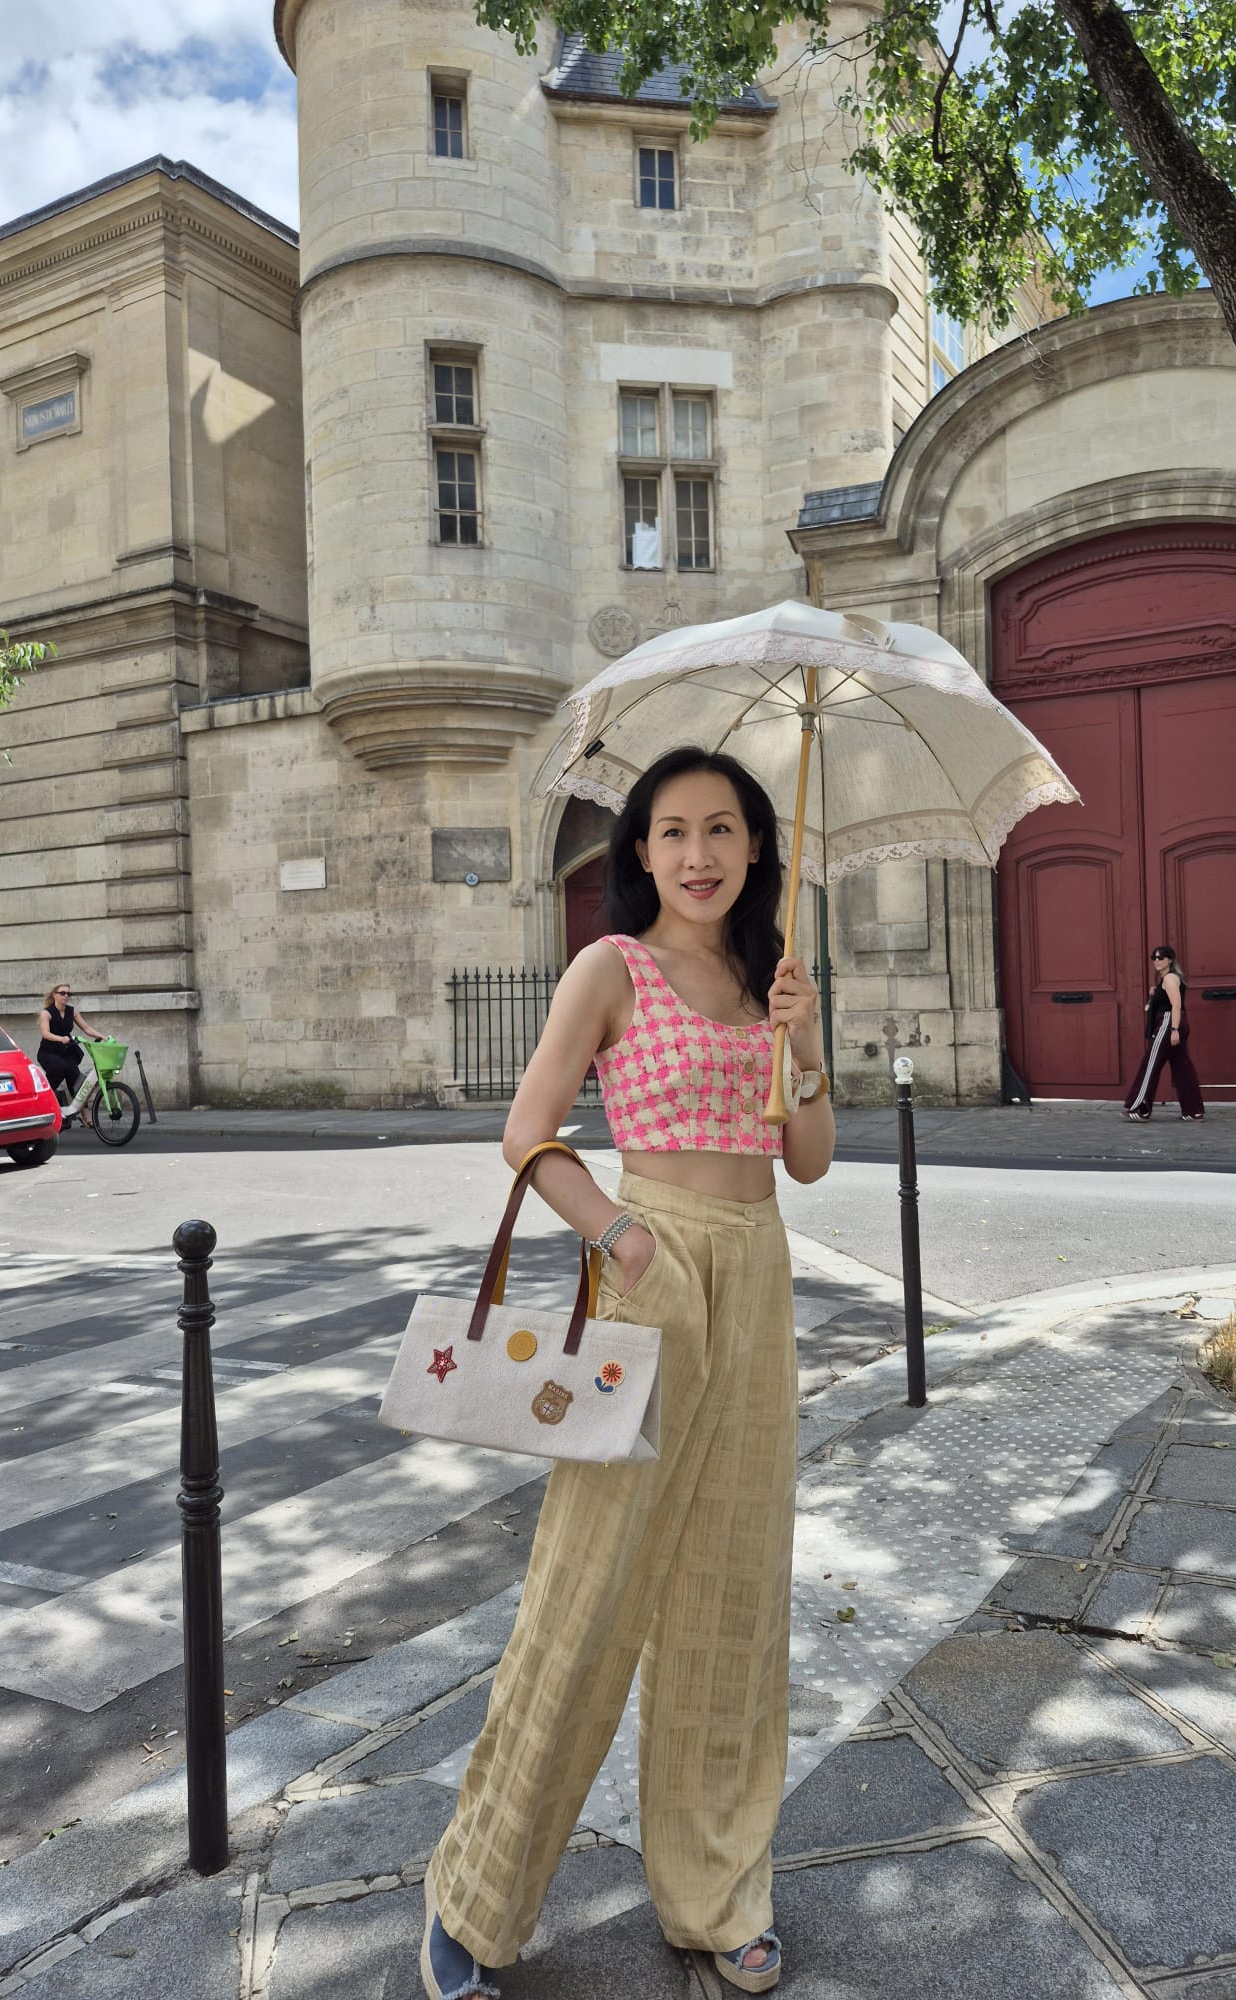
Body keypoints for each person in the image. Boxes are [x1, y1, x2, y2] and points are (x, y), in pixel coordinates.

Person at [419, 747, 835, 2000]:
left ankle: (717, 1891)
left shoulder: (773, 977)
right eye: (673, 831)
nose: (698, 853)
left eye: (722, 828)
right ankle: (474, 1896)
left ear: (756, 844)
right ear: (640, 852)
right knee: (587, 1589)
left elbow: (811, 1158)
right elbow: (527, 1131)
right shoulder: (611, 967)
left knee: (734, 1593)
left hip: (758, 1270)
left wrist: (807, 1043)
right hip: (650, 1267)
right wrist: (620, 1234)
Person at [1122, 944, 1205, 1121]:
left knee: (1150, 1064)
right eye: (1154, 958)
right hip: (1175, 1022)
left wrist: (1174, 1029)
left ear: (1170, 959)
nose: (1157, 961)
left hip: (1168, 1023)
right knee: (1183, 1068)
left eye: (1161, 957)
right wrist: (1156, 994)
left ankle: (1139, 1108)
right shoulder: (1168, 979)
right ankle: (1193, 1111)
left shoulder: (1169, 978)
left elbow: (1176, 1004)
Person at [35, 983, 102, 1101]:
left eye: (68, 993)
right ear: (54, 995)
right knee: (59, 1068)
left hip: (66, 1052)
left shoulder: (72, 1011)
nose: (66, 996)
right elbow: (45, 1033)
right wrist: (60, 1039)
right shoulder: (46, 1013)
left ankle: (83, 1112)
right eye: (62, 993)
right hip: (48, 1052)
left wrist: (103, 1037)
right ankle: (45, 1097)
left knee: (75, 1076)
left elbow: (86, 1028)